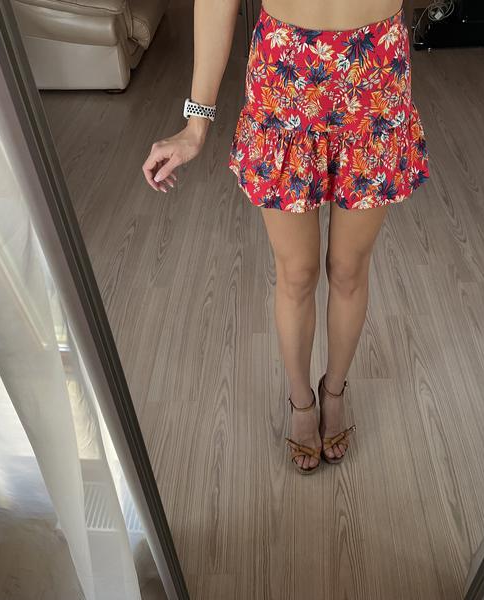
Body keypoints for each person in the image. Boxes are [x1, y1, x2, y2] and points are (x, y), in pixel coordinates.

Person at [142, 0, 429, 474]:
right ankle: (301, 401)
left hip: (376, 73)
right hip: (285, 72)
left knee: (350, 269)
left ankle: (334, 391)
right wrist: (196, 124)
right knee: (296, 273)